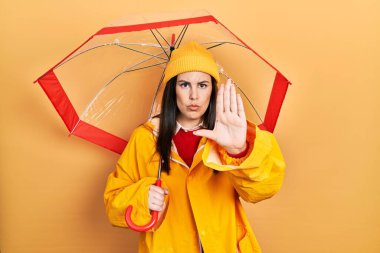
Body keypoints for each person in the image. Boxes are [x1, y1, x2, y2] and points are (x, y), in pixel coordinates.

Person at [104, 41, 286, 253]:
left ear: (212, 90)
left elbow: (264, 190)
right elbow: (113, 204)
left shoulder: (232, 134)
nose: (194, 96)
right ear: (173, 89)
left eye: (202, 85)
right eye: (184, 85)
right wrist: (141, 197)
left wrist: (239, 149)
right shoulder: (145, 138)